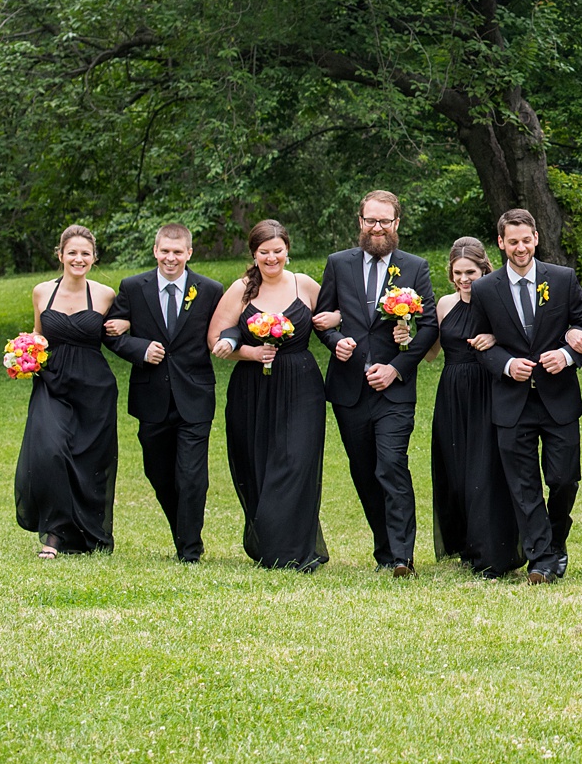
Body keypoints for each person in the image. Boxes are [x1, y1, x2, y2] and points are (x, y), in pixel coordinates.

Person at [312, 190, 439, 577]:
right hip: (350, 388)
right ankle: (384, 550)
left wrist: (397, 366)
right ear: (360, 222)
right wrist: (337, 343)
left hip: (395, 389)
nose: (378, 227)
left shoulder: (415, 267)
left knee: (391, 465)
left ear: (397, 224)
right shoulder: (338, 264)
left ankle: (403, 557)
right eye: (371, 220)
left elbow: (430, 325)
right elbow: (322, 318)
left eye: (385, 221)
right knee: (364, 471)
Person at [466, 208, 582, 584]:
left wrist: (569, 354)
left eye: (526, 240)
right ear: (500, 243)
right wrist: (506, 365)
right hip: (511, 401)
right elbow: (479, 342)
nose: (520, 248)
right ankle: (540, 559)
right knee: (522, 484)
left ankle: (556, 542)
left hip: (558, 400)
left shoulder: (561, 278)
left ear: (536, 238)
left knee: (563, 478)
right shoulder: (485, 288)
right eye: (512, 242)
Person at [210, 220, 329, 570]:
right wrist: (248, 352)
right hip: (253, 388)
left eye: (278, 251)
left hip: (301, 383)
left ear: (287, 251)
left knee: (296, 460)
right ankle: (268, 542)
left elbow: (330, 320)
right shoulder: (241, 289)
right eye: (264, 252)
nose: (272, 257)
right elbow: (216, 338)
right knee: (258, 463)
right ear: (254, 254)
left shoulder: (304, 284)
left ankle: (291, 549)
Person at [104, 224, 225, 563]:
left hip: (195, 396)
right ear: (155, 251)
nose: (171, 258)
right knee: (158, 473)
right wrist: (140, 348)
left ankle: (190, 549)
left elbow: (227, 325)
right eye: (165, 251)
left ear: (189, 253)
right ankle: (182, 533)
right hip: (151, 397)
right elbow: (111, 332)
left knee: (192, 477)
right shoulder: (132, 287)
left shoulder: (210, 289)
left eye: (178, 252)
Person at [15, 225, 121, 558]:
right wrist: (25, 351)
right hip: (51, 382)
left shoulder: (105, 294)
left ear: (94, 258)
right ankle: (54, 535)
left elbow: (118, 332)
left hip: (94, 388)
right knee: (49, 451)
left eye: (85, 253)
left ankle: (85, 533)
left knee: (88, 458)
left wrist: (126, 325)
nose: (79, 258)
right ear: (60, 254)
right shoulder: (41, 292)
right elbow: (38, 332)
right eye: (72, 252)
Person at [425, 237, 524, 577]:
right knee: (457, 470)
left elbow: (518, 339)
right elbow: (431, 352)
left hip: (487, 389)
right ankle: (467, 544)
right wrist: (404, 334)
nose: (465, 279)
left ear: (484, 268)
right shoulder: (444, 304)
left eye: (471, 272)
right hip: (452, 393)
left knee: (485, 470)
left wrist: (495, 338)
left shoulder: (497, 299)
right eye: (458, 273)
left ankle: (493, 551)